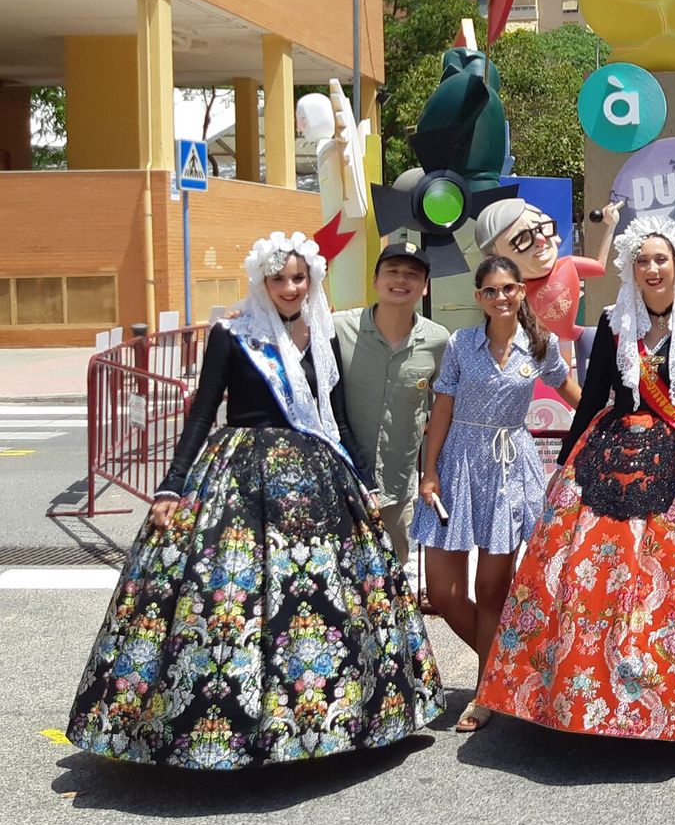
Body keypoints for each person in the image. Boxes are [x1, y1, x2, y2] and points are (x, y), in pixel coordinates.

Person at [68, 231, 443, 768]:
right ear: (260, 281)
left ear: (310, 280)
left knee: (321, 601)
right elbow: (201, 414)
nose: (289, 288)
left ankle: (335, 722)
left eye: (298, 278)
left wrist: (362, 479)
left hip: (316, 477)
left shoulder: (321, 337)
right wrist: (173, 483)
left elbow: (334, 415)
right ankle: (216, 731)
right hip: (239, 476)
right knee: (229, 598)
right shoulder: (232, 334)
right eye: (278, 278)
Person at [477, 216, 675, 740]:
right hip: (610, 453)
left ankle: (667, 700)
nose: (651, 268)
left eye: (660, 259)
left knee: (672, 581)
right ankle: (577, 694)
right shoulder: (614, 322)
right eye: (642, 260)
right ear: (631, 268)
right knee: (583, 573)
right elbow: (593, 395)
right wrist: (568, 463)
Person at [412, 256, 580, 733]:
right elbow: (442, 410)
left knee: (491, 590)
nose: (501, 297)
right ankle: (506, 665)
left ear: (521, 292)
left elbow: (574, 394)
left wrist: (616, 417)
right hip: (458, 464)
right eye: (490, 290)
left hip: (509, 467)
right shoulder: (463, 344)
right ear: (478, 296)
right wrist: (429, 472)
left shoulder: (541, 345)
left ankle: (486, 691)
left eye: (509, 288)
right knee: (443, 592)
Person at [332, 243, 449, 564]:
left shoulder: (439, 341)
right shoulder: (337, 329)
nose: (401, 280)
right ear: (375, 280)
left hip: (396, 491)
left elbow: (443, 410)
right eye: (393, 271)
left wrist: (430, 472)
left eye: (412, 274)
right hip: (339, 484)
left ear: (425, 287)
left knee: (393, 575)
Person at [473, 198, 623, 343]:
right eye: (523, 239)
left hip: (575, 338)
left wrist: (611, 225)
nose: (541, 240)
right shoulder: (514, 292)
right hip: (537, 346)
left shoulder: (568, 265)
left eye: (541, 229)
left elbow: (599, 267)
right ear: (495, 260)